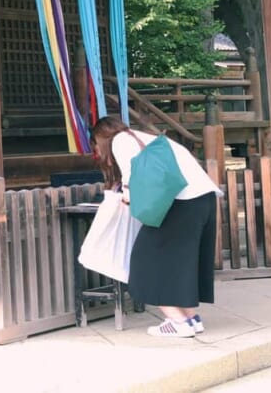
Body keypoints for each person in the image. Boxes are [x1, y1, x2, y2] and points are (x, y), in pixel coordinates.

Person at [91, 115, 222, 338]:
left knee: (144, 260)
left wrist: (126, 195)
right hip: (204, 198)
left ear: (101, 138)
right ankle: (191, 319)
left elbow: (131, 176)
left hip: (180, 202)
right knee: (182, 261)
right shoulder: (151, 138)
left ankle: (178, 321)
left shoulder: (121, 140)